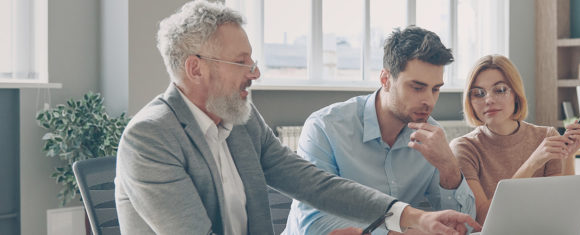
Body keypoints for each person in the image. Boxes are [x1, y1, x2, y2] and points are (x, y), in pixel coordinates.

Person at [114, 1, 481, 235]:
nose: (254, 73)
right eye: (241, 62)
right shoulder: (150, 137)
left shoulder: (241, 121)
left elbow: (314, 185)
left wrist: (413, 217)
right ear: (195, 68)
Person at [283, 26, 476, 235]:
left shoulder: (431, 137)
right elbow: (313, 224)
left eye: (435, 89)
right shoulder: (325, 127)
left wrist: (449, 168)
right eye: (417, 87)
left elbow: (464, 227)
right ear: (385, 79)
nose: (429, 101)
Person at [449, 55, 580, 225]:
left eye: (500, 90)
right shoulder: (464, 148)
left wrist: (568, 154)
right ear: (470, 102)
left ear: (515, 94)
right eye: (478, 94)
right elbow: (485, 219)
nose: (489, 100)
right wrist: (533, 163)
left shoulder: (547, 136)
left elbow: (564, 210)